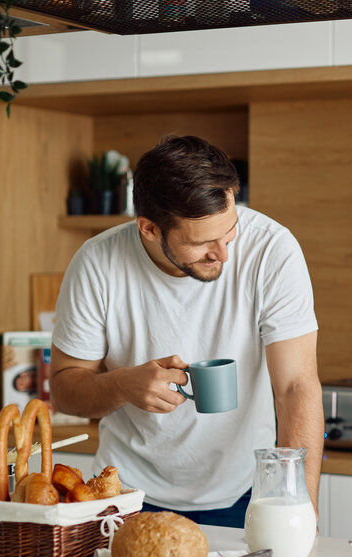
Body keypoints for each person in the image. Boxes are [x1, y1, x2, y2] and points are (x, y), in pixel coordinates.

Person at [49, 135, 323, 527]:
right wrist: (123, 385)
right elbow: (63, 388)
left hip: (247, 492)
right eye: (202, 242)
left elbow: (297, 386)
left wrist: (300, 512)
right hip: (126, 496)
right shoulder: (98, 263)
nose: (224, 254)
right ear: (149, 229)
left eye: (229, 232)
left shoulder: (272, 250)